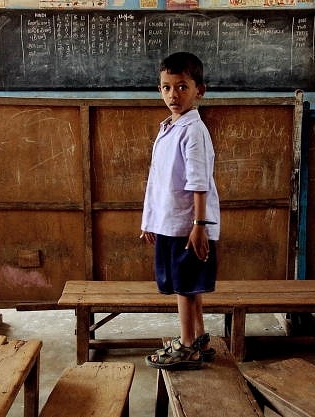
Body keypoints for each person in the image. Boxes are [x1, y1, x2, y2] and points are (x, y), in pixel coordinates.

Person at [140, 52, 220, 370]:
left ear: (200, 90)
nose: (174, 95)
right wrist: (150, 221)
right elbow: (157, 181)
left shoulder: (193, 130)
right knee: (186, 284)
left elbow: (198, 181)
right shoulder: (169, 128)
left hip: (187, 226)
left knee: (184, 288)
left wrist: (199, 224)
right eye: (167, 87)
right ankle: (198, 337)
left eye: (182, 87)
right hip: (170, 223)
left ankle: (187, 346)